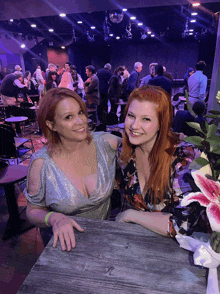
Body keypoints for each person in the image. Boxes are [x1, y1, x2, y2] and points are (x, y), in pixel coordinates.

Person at [24, 87, 121, 251]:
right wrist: (54, 218)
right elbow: (32, 210)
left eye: (81, 113)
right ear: (52, 125)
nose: (80, 121)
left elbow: (141, 145)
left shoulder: (106, 144)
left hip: (105, 239)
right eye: (69, 117)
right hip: (66, 244)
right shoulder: (41, 163)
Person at [115, 85, 210, 237]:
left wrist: (130, 215)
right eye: (131, 116)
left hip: (184, 254)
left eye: (146, 119)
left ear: (162, 123)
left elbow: (185, 225)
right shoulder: (125, 154)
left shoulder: (183, 158)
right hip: (137, 244)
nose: (134, 126)